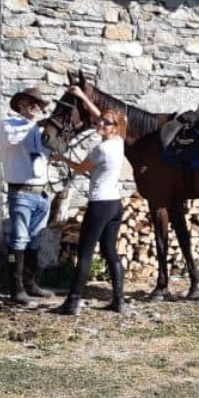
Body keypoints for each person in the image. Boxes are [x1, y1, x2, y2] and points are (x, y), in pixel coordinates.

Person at [52, 87, 127, 315]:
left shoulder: (101, 150)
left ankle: (72, 302)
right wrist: (84, 97)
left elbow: (79, 168)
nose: (100, 125)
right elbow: (100, 117)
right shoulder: (119, 141)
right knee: (110, 252)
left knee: (84, 253)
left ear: (114, 128)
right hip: (115, 205)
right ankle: (118, 300)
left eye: (105, 124)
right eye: (100, 122)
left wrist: (61, 157)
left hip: (100, 205)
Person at [1, 86, 55, 305]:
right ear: (20, 105)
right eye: (30, 103)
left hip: (41, 192)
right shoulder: (9, 125)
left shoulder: (42, 131)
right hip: (21, 191)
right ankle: (15, 289)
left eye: (38, 104)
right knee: (18, 241)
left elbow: (52, 153)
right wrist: (36, 124)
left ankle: (31, 284)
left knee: (34, 240)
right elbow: (12, 139)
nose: (35, 107)